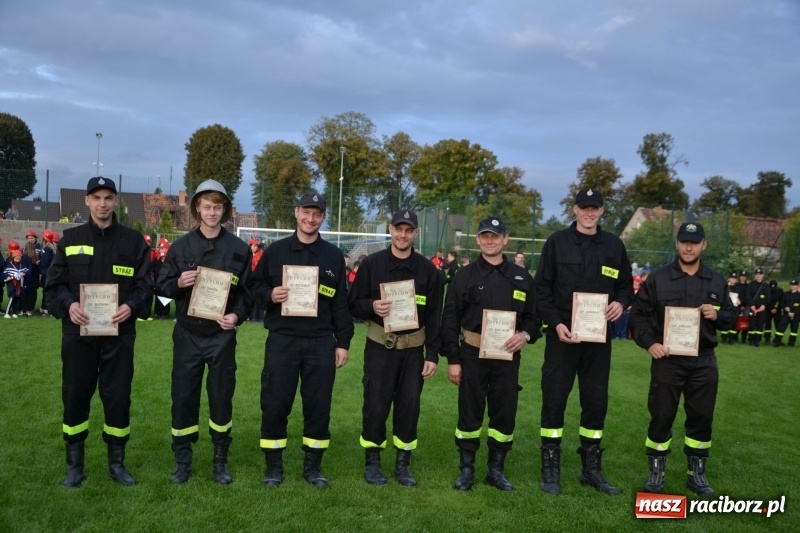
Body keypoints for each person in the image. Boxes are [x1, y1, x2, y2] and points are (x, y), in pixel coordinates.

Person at [44, 176, 151, 488]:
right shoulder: (70, 239)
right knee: (76, 395)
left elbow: (146, 284)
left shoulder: (133, 242)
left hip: (120, 335)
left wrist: (131, 306)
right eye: (97, 198)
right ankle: (74, 466)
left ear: (115, 201)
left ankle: (116, 464)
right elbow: (53, 285)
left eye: (108, 197)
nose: (103, 203)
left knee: (118, 397)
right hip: (78, 334)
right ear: (87, 202)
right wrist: (68, 305)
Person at [247, 192, 353, 488]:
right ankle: (273, 465)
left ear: (323, 217)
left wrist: (342, 341)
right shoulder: (276, 251)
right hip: (283, 339)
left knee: (318, 405)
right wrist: (270, 295)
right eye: (306, 212)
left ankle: (313, 466)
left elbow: (340, 303)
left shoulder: (333, 255)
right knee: (275, 402)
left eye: (317, 214)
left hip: (320, 341)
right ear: (296, 212)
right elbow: (253, 287)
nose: (310, 219)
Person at [533, 189, 634, 496]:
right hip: (563, 338)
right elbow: (542, 290)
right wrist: (557, 323)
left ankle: (591, 469)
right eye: (584, 207)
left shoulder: (614, 246)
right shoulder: (556, 243)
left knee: (595, 402)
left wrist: (621, 303)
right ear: (574, 209)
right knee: (554, 400)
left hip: (597, 342)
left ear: (602, 210)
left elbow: (626, 286)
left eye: (596, 208)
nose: (590, 213)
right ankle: (550, 467)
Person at [155, 179, 252, 485]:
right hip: (188, 333)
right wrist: (177, 283)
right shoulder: (181, 246)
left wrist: (236, 315)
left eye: (218, 207)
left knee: (222, 397)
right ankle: (182, 461)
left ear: (225, 210)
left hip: (221, 335)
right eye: (207, 206)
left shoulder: (239, 249)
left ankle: (220, 460)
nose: (212, 212)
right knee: (183, 396)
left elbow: (248, 294)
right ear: (197, 207)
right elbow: (160, 286)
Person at [629, 222, 736, 495]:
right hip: (668, 360)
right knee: (662, 415)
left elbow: (733, 318)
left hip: (704, 360)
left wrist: (718, 315)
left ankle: (696, 474)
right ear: (677, 244)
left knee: (701, 417)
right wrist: (650, 342)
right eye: (684, 241)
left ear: (704, 245)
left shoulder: (716, 280)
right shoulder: (659, 278)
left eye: (694, 241)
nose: (689, 246)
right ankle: (656, 473)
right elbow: (638, 315)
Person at [441, 216, 541, 492]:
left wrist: (525, 335)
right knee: (470, 413)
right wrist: (453, 359)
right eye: (484, 236)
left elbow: (534, 318)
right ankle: (467, 470)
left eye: (495, 236)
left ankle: (496, 470)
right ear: (478, 240)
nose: (489, 240)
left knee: (504, 414)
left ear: (505, 239)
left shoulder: (522, 277)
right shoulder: (464, 276)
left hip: (507, 358)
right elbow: (450, 320)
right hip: (472, 353)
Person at [348, 209, 443, 487]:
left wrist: (433, 354)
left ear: (415, 233)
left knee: (409, 406)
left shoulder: (428, 271)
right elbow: (352, 303)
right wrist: (371, 306)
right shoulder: (372, 264)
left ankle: (403, 463)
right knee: (376, 405)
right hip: (380, 347)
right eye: (398, 229)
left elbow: (435, 315)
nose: (403, 235)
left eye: (408, 230)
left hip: (414, 350)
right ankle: (373, 461)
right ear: (390, 229)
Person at [745, 268, 771, 347]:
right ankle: (751, 340)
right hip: (753, 307)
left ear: (763, 275)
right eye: (757, 274)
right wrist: (751, 305)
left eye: (760, 274)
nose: (758, 276)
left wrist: (764, 305)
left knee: (760, 324)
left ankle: (757, 340)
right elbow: (748, 296)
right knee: (752, 324)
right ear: (755, 275)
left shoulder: (766, 285)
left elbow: (768, 297)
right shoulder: (751, 284)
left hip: (762, 308)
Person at [773, 279, 800, 347]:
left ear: (797, 286)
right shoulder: (786, 294)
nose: (792, 286)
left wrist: (794, 313)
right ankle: (777, 342)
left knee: (794, 330)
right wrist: (785, 308)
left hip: (796, 315)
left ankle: (791, 343)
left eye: (794, 285)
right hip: (786, 314)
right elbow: (781, 303)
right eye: (791, 285)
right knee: (780, 328)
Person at [38, 229, 58, 316]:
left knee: (46, 291)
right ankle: (45, 307)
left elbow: (45, 261)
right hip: (51, 272)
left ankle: (46, 309)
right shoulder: (53, 248)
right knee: (49, 291)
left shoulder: (46, 249)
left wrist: (40, 262)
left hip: (46, 272)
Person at [721, 272, 740, 344]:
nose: (733, 280)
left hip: (735, 308)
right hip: (726, 307)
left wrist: (739, 301)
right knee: (725, 322)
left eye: (735, 278)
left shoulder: (738, 287)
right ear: (729, 278)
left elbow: (741, 297)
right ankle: (724, 338)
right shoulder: (725, 286)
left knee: (734, 324)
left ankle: (731, 338)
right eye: (732, 278)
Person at [248, 238, 264, 321]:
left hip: (257, 280)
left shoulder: (260, 255)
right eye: (254, 245)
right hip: (249, 280)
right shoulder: (247, 255)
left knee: (258, 298)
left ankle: (260, 317)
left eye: (257, 246)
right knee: (250, 299)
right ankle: (252, 317)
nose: (256, 247)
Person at [764, 279, 783, 345]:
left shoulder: (780, 291)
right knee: (768, 325)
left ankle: (777, 339)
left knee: (778, 325)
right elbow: (765, 301)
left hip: (777, 310)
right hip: (768, 310)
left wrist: (777, 309)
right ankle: (767, 339)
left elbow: (782, 301)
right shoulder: (766, 291)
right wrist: (770, 309)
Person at [734, 271, 749, 343]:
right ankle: (735, 336)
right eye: (741, 276)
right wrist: (739, 305)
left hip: (746, 307)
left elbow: (749, 297)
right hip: (737, 306)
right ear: (739, 277)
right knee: (737, 321)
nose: (743, 277)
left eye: (744, 276)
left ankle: (744, 338)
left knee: (745, 322)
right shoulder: (736, 285)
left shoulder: (748, 286)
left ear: (746, 278)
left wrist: (744, 305)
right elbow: (733, 295)